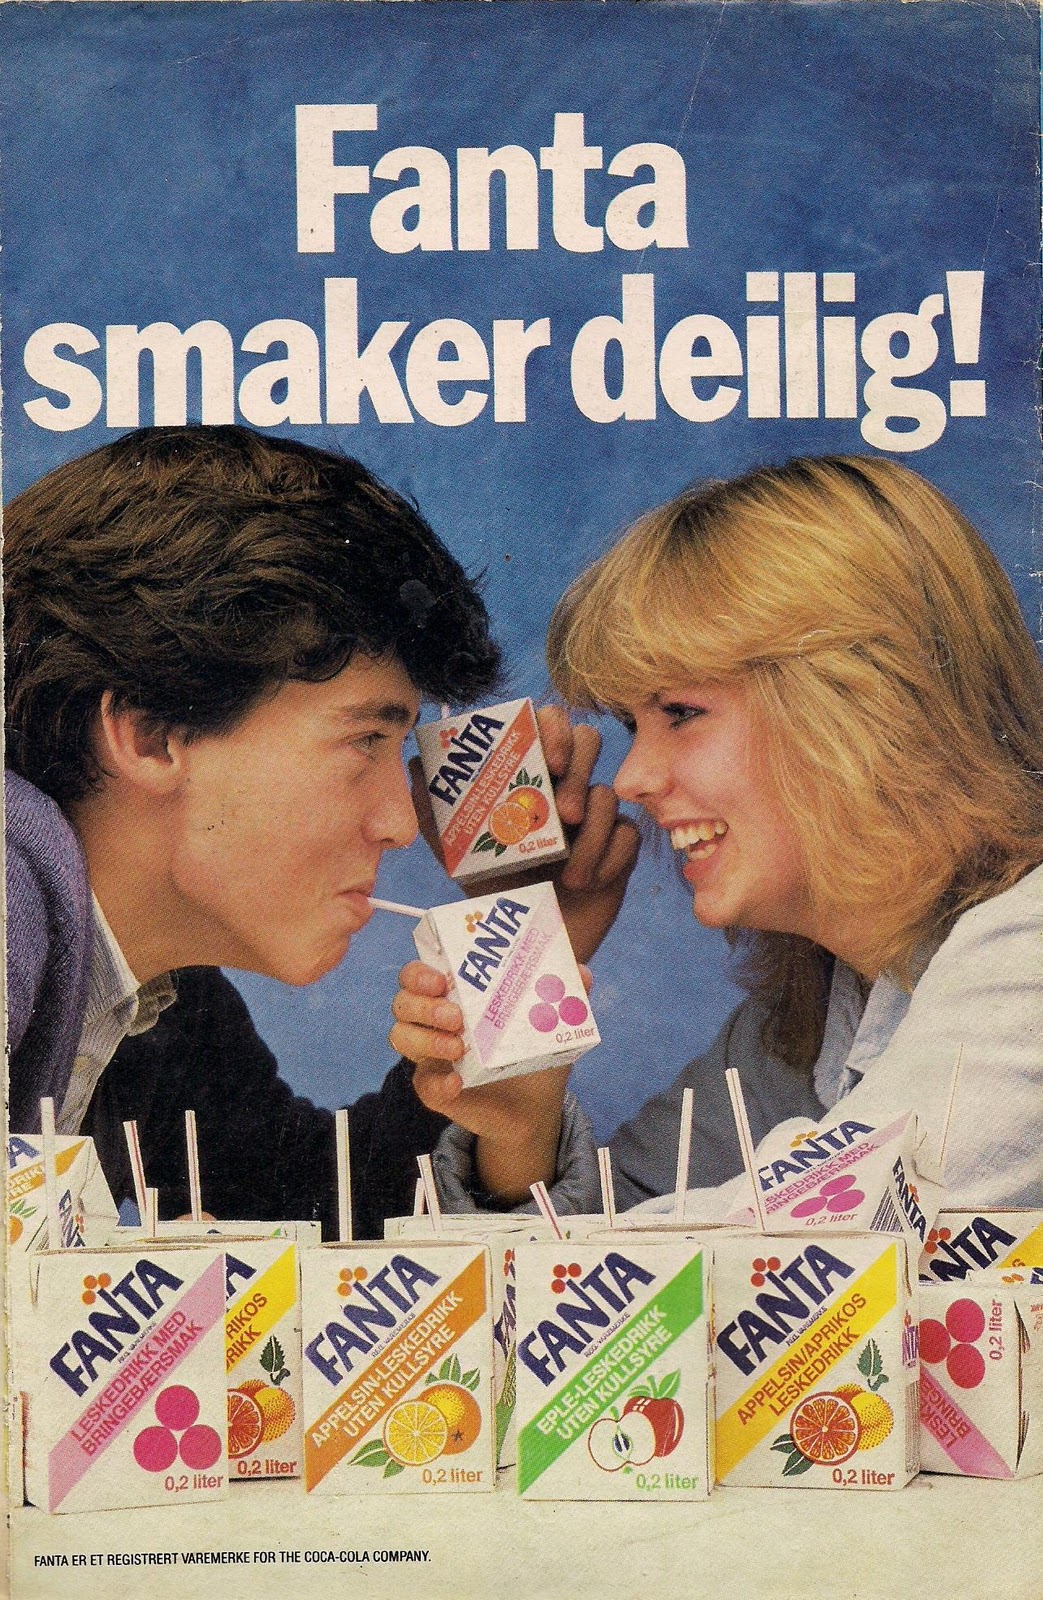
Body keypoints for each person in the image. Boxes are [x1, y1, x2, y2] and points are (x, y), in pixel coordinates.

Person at [4, 424, 637, 1238]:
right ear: (152, 734)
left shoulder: (150, 995)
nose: (400, 825)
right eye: (365, 739)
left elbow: (313, 1209)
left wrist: (519, 955)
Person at [392, 455, 1043, 1216]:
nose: (632, 778)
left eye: (681, 713)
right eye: (633, 724)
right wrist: (522, 1109)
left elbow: (832, 1236)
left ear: (863, 701)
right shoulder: (799, 1025)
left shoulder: (1027, 954)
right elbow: (579, 1258)